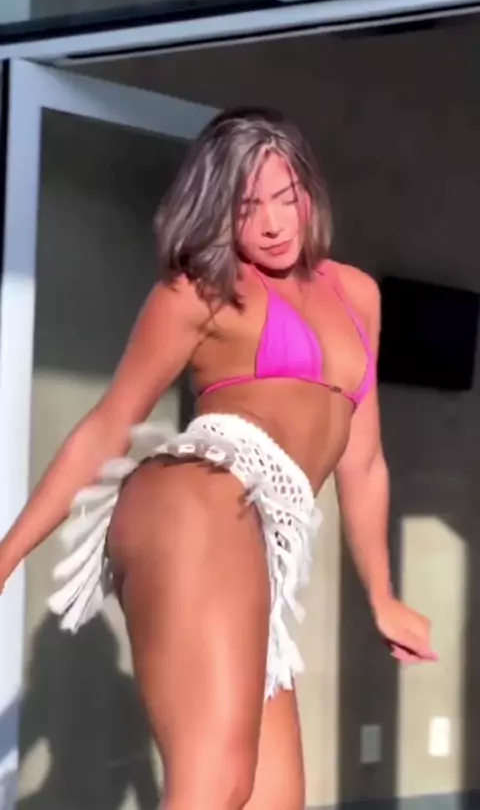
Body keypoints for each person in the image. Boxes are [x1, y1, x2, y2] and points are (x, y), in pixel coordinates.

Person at [0, 107, 437, 810]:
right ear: (215, 211)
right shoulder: (199, 292)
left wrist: (382, 597)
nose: (272, 223)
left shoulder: (357, 293)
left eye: (285, 197)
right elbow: (107, 426)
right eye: (246, 207)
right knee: (216, 786)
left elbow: (363, 462)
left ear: (309, 191)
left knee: (272, 801)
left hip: (261, 538)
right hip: (198, 499)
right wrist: (6, 556)